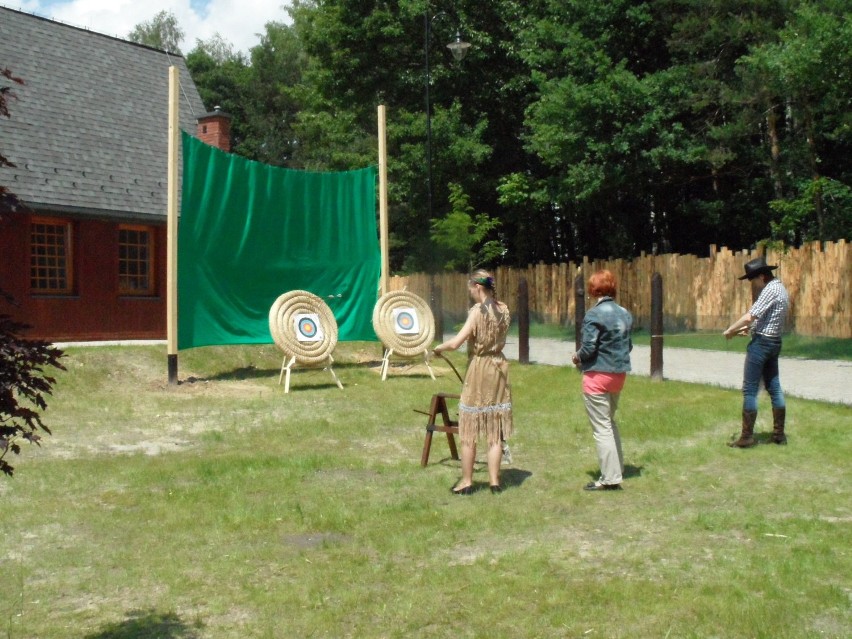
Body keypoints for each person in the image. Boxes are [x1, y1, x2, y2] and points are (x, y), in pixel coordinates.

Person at [433, 269, 513, 495]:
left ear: (478, 287)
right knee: (494, 426)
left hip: (479, 369)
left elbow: (457, 342)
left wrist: (438, 348)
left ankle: (467, 482)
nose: (470, 293)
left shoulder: (478, 311)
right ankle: (494, 482)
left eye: (471, 289)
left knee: (469, 426)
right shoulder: (504, 309)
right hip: (499, 368)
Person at [571, 270, 633, 492]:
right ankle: (618, 468)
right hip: (619, 376)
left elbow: (589, 348)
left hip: (597, 376)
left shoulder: (593, 315)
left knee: (601, 428)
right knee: (609, 422)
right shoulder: (625, 313)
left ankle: (610, 477)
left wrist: (577, 356)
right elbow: (629, 346)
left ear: (593, 290)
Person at [723, 256, 790, 447]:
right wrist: (749, 330)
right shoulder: (781, 288)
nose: (753, 284)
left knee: (750, 389)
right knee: (774, 387)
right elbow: (768, 320)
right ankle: (779, 435)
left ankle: (746, 437)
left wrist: (731, 329)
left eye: (753, 279)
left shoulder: (770, 289)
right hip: (773, 341)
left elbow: (750, 316)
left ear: (762, 276)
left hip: (761, 345)